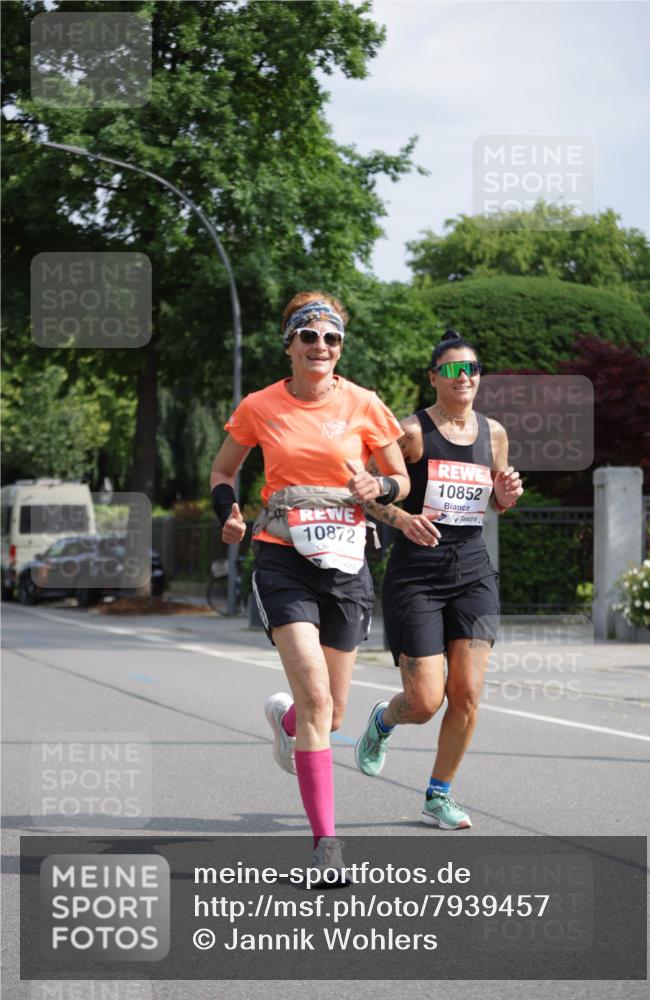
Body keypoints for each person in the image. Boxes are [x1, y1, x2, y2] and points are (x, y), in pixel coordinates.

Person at [210, 291, 409, 873]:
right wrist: (228, 512)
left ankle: (287, 721)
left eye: (331, 338)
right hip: (283, 558)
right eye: (309, 336)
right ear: (290, 344)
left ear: (339, 347)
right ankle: (326, 846)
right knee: (317, 698)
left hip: (347, 562)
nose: (321, 346)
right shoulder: (260, 406)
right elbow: (224, 468)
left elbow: (399, 477)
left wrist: (379, 487)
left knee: (331, 714)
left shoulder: (365, 404)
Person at [355, 329, 523, 829]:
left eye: (472, 369)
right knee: (425, 701)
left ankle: (438, 794)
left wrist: (506, 495)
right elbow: (365, 492)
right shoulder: (410, 432)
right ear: (434, 377)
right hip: (417, 576)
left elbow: (496, 502)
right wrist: (403, 519)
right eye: (452, 369)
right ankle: (384, 720)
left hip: (473, 572)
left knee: (467, 694)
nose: (463, 377)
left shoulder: (494, 434)